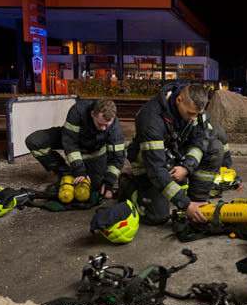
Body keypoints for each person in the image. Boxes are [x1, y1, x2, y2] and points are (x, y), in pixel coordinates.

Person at [121, 84, 223, 225]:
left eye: (197, 114)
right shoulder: (151, 120)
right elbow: (156, 170)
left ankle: (197, 199)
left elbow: (202, 139)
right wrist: (185, 204)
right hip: (149, 167)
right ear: (178, 100)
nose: (194, 118)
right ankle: (127, 184)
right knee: (157, 216)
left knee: (215, 147)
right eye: (190, 113)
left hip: (173, 158)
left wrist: (187, 167)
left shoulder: (195, 112)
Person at [25, 99, 125, 198]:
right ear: (92, 114)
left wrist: (109, 181)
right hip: (71, 138)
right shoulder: (78, 111)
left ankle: (90, 174)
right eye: (100, 124)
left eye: (107, 125)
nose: (103, 128)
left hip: (94, 151)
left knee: (95, 186)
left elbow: (117, 158)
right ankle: (64, 172)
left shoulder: (115, 128)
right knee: (34, 141)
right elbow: (70, 143)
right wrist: (79, 170)